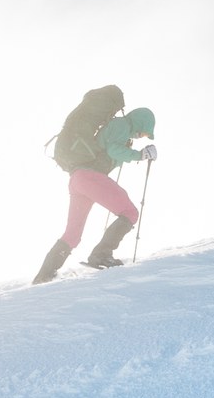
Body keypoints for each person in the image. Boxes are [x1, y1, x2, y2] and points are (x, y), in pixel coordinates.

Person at [34, 86, 157, 282]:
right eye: (144, 133)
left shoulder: (120, 129)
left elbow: (111, 150)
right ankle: (101, 255)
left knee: (72, 234)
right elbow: (114, 151)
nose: (141, 136)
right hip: (90, 177)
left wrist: (133, 152)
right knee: (130, 212)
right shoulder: (122, 125)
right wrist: (141, 155)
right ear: (142, 122)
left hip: (78, 179)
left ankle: (43, 276)